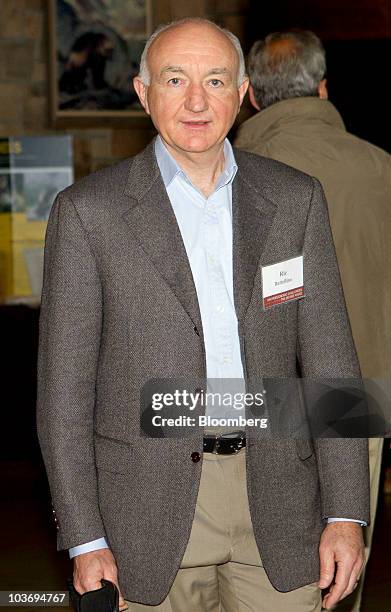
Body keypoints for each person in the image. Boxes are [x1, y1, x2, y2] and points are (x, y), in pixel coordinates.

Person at [37, 19, 370, 612]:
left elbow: (331, 362)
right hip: (143, 512)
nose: (196, 101)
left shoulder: (295, 198)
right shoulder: (89, 213)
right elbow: (63, 395)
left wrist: (346, 511)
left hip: (280, 501)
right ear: (143, 93)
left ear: (243, 93)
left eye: (215, 80)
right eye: (175, 79)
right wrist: (85, 535)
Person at [235, 29, 390, 611]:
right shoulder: (382, 168)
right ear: (323, 88)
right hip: (360, 395)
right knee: (341, 571)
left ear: (250, 96)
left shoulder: (237, 172)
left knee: (259, 576)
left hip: (256, 398)